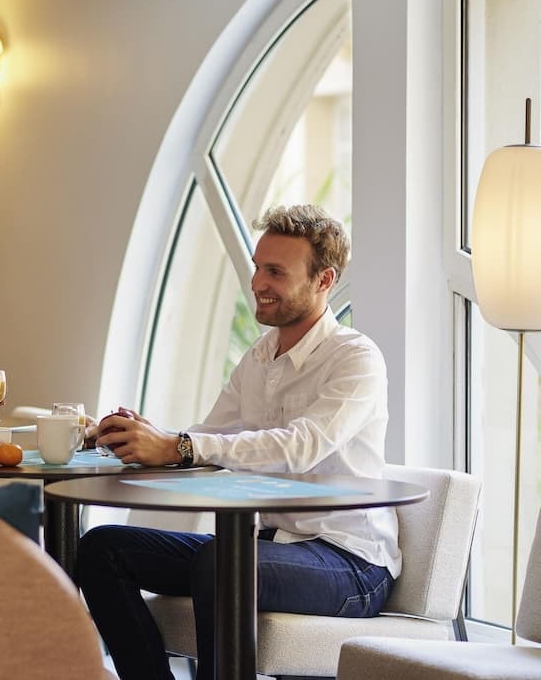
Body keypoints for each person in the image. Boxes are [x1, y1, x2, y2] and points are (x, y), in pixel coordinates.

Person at [75, 204, 398, 680]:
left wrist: (179, 445)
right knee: (101, 549)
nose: (257, 283)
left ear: (324, 280)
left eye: (275, 272)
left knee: (221, 564)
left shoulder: (355, 357)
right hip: (262, 548)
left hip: (348, 561)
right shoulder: (261, 356)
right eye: (257, 267)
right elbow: (211, 439)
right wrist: (135, 437)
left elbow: (302, 445)